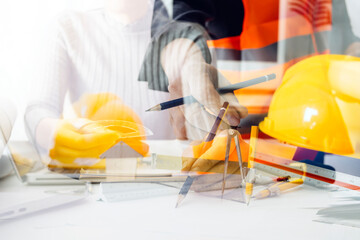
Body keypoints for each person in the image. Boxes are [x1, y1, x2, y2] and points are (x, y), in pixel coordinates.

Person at [24, 0, 245, 167]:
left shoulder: (185, 32)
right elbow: (38, 109)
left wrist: (218, 143)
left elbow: (206, 127)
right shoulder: (68, 27)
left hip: (166, 181)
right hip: (95, 179)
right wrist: (53, 132)